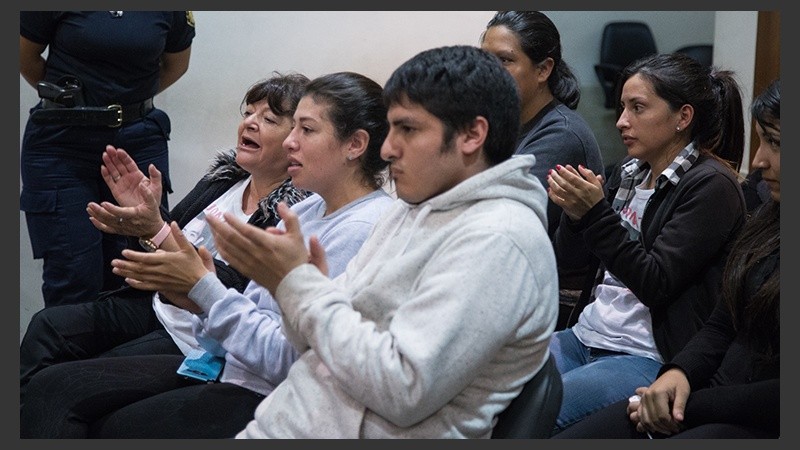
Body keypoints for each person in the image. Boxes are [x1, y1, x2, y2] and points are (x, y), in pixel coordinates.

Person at [202, 45, 559, 439]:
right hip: (291, 419)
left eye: (408, 129)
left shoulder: (499, 240)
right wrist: (304, 286)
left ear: (472, 135)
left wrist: (296, 285)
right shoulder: (409, 209)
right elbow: (316, 340)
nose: (387, 149)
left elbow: (402, 388)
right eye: (390, 129)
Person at [20, 71, 395, 438]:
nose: (291, 142)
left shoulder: (356, 226)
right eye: (251, 114)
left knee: (78, 401)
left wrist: (198, 289)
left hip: (259, 385)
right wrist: (179, 272)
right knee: (53, 354)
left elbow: (286, 353)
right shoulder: (298, 208)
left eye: (305, 130)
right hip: (220, 354)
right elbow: (231, 308)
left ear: (355, 145)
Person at [551, 78, 780, 439]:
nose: (621, 121)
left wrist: (596, 215)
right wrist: (575, 214)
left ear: (682, 117)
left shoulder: (711, 185)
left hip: (640, 353)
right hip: (585, 335)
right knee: (487, 389)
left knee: (537, 413)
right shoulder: (626, 173)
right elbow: (568, 264)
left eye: (637, 108)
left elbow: (654, 281)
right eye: (622, 107)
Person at [20, 11, 196, 307]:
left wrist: (124, 104)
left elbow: (176, 64)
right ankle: (70, 353)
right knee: (73, 275)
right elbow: (26, 58)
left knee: (135, 270)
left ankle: (123, 354)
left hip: (137, 140)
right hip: (62, 143)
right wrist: (78, 105)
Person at [480, 11, 605, 325]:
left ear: (543, 69)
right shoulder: (504, 124)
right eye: (485, 60)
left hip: (548, 305)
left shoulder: (561, 134)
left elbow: (496, 220)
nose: (490, 73)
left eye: (505, 61)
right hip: (508, 285)